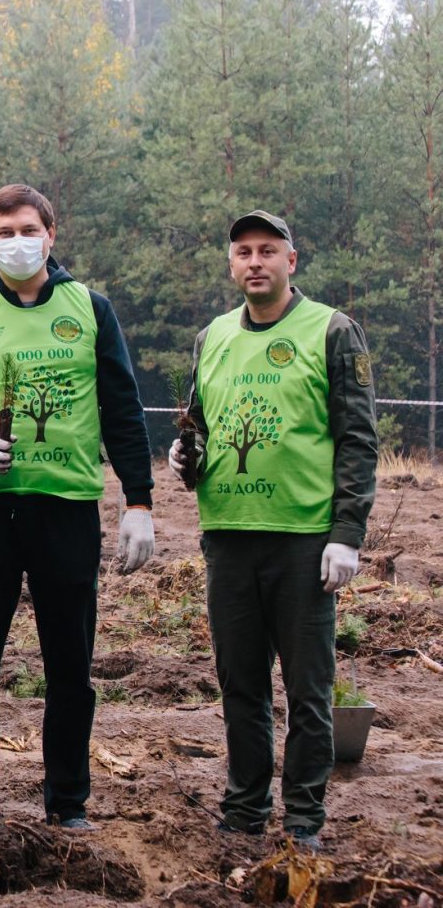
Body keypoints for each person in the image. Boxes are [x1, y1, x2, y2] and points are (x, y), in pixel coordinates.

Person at [0, 184, 155, 830]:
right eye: (4, 231)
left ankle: (68, 803)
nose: (17, 241)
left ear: (52, 236)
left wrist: (138, 499)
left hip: (67, 510)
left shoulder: (90, 309)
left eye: (30, 229)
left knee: (70, 668)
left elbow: (122, 408)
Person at [169, 210, 377, 850]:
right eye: (243, 252)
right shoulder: (213, 338)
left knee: (308, 690)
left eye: (268, 250)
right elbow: (200, 424)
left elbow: (358, 440)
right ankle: (244, 808)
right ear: (231, 264)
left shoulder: (334, 332)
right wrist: (185, 457)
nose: (254, 262)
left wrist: (347, 532)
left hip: (303, 541)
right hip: (228, 536)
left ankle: (304, 818)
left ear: (292, 259)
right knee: (241, 686)